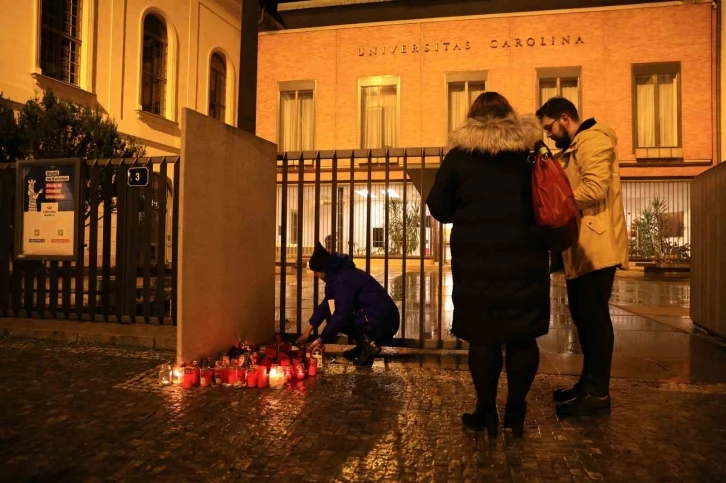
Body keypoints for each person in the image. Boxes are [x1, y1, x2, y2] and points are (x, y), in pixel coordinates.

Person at [427, 92, 550, 438]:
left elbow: (439, 207)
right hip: (526, 258)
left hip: (476, 262)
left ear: (472, 118)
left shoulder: (459, 157)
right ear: (509, 116)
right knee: (522, 337)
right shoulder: (529, 154)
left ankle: (486, 411)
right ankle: (516, 410)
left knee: (483, 339)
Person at [536, 97, 628, 417]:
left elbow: (594, 187)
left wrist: (556, 206)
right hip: (582, 246)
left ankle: (598, 393)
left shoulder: (593, 140)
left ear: (565, 118)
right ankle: (588, 384)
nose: (549, 134)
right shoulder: (576, 146)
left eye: (550, 127)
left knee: (594, 319)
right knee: (583, 317)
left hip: (597, 246)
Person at [297, 242, 400, 367]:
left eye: (316, 272)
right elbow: (326, 304)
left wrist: (321, 340)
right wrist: (308, 331)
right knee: (332, 313)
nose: (315, 276)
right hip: (378, 317)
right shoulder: (337, 276)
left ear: (324, 269)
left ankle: (368, 348)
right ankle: (363, 346)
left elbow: (341, 313)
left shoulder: (343, 279)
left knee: (338, 317)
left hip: (384, 321)